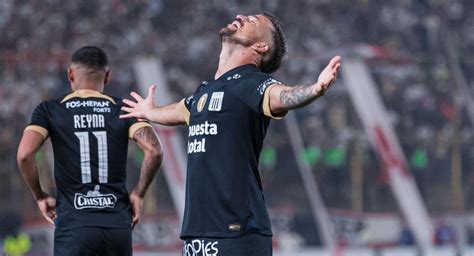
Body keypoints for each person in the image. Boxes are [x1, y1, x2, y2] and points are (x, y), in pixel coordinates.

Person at [121, 12, 341, 255]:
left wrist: (315, 89)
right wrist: (151, 112)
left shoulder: (252, 83)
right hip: (198, 233)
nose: (241, 16)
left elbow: (282, 96)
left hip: (236, 233)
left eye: (253, 21)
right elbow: (181, 110)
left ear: (261, 46)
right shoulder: (206, 90)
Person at [17, 46, 163, 256]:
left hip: (74, 227)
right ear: (108, 76)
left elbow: (24, 155)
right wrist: (139, 194)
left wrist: (40, 196)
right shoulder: (124, 108)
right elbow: (155, 151)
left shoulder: (50, 110)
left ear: (70, 73)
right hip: (117, 226)